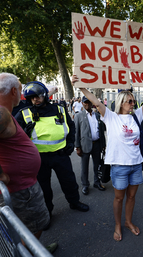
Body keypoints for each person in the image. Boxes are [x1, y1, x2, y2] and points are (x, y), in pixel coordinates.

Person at [72, 74, 143, 242]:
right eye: (130, 101)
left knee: (132, 197)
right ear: (121, 102)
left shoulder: (136, 116)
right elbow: (97, 102)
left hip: (136, 165)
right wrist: (81, 86)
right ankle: (118, 225)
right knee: (119, 198)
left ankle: (128, 222)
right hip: (119, 166)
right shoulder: (111, 117)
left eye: (133, 101)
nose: (133, 103)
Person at [15, 81, 89, 227]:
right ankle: (47, 212)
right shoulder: (23, 114)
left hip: (60, 155)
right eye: (32, 97)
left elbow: (71, 126)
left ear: (45, 96)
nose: (35, 99)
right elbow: (14, 137)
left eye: (38, 96)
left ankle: (74, 202)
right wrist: (24, 133)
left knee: (69, 182)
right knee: (44, 188)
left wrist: (71, 143)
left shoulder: (59, 109)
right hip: (39, 158)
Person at [0, 73, 57, 253]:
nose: (25, 96)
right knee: (37, 224)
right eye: (21, 89)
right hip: (22, 190)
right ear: (14, 91)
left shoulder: (6, 110)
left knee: (25, 226)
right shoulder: (1, 113)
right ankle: (29, 252)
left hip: (23, 186)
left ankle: (32, 248)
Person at [74, 96, 106, 195]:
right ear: (82, 104)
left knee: (97, 165)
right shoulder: (79, 116)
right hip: (84, 145)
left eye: (89, 102)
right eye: (85, 102)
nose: (87, 104)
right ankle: (85, 185)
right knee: (84, 167)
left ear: (92, 103)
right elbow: (76, 133)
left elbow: (101, 131)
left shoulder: (97, 115)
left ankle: (96, 182)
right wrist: (77, 147)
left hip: (97, 144)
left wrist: (103, 144)